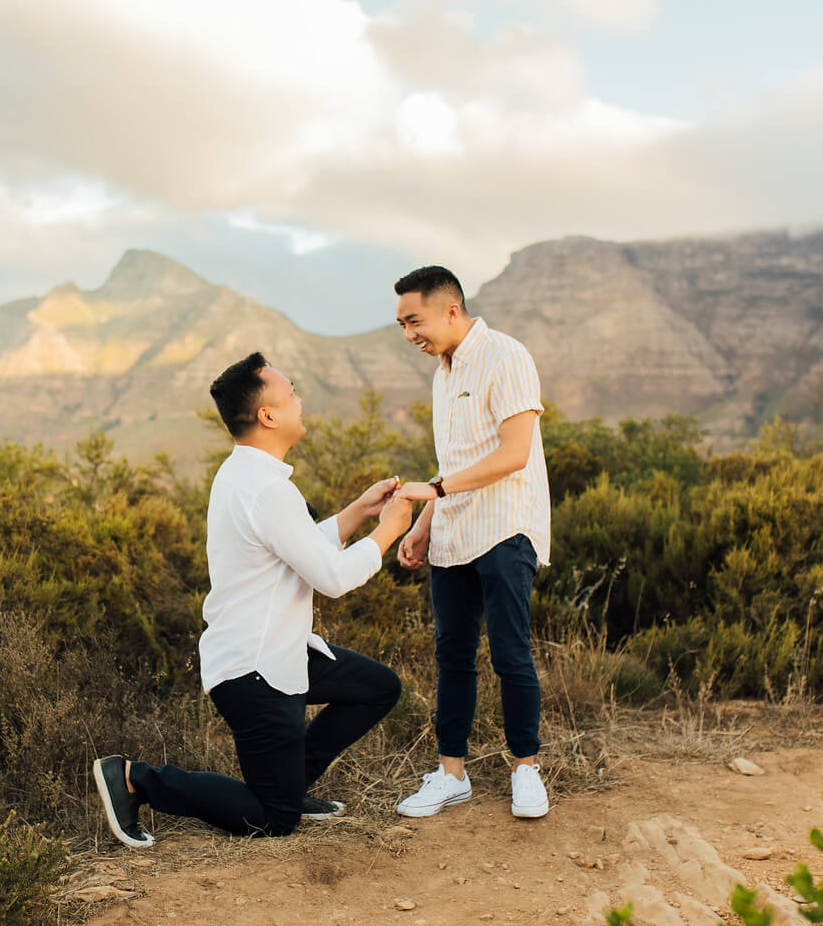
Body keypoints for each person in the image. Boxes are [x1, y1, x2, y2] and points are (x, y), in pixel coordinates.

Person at [91, 352, 415, 847]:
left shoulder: (249, 476)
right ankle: (137, 779)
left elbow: (296, 547)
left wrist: (357, 513)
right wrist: (389, 531)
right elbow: (331, 577)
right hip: (255, 671)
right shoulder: (265, 489)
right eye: (292, 394)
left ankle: (290, 782)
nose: (300, 401)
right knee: (274, 820)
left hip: (279, 652)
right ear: (268, 416)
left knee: (376, 687)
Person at [389, 265, 553, 821]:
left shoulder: (506, 356)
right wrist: (425, 522)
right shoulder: (442, 372)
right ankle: (451, 775)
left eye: (415, 320)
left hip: (506, 527)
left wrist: (433, 489)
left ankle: (525, 770)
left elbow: (514, 453)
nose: (409, 333)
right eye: (402, 324)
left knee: (511, 652)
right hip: (455, 529)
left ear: (450, 310)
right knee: (452, 654)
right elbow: (455, 463)